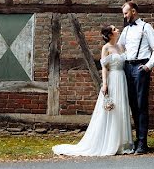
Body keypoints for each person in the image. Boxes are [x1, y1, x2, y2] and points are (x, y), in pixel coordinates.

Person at [52, 26, 133, 156]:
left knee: (121, 109)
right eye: (115, 29)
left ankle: (122, 143)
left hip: (122, 79)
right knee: (112, 109)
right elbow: (105, 68)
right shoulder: (106, 48)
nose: (118, 30)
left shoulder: (121, 47)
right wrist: (105, 84)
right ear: (110, 34)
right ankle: (109, 142)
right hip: (112, 79)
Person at [119, 1, 154, 154]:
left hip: (141, 67)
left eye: (126, 13)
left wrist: (149, 66)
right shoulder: (126, 30)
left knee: (141, 105)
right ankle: (137, 140)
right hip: (128, 67)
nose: (125, 16)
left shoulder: (145, 27)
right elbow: (120, 46)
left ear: (134, 11)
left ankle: (143, 142)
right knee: (133, 105)